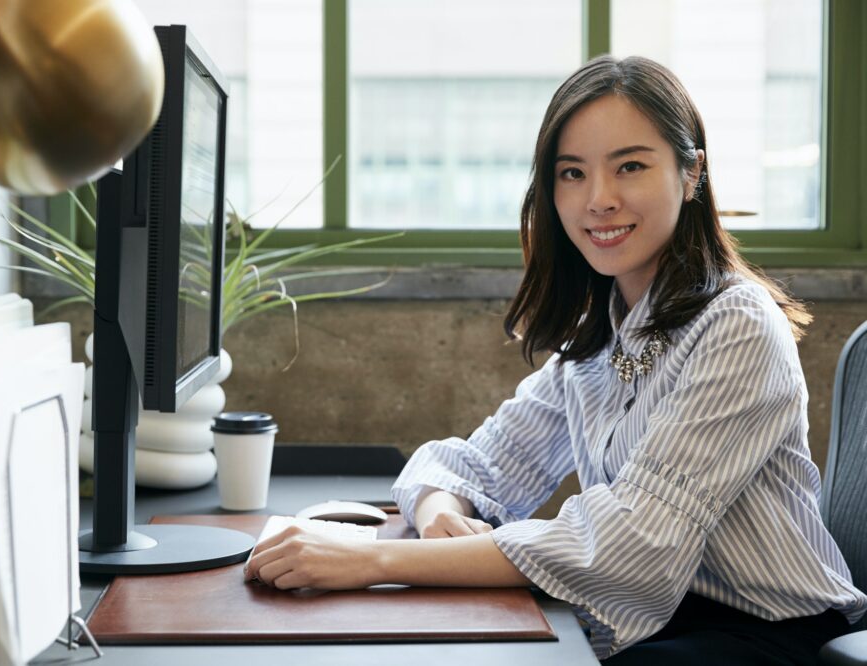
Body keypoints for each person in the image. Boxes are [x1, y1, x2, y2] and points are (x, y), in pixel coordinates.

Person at [244, 55, 867, 663]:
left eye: (629, 166)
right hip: (663, 621)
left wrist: (368, 561)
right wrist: (441, 514)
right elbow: (471, 462)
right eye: (572, 173)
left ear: (691, 174)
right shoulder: (603, 337)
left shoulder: (737, 324)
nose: (598, 199)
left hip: (769, 630)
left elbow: (631, 546)